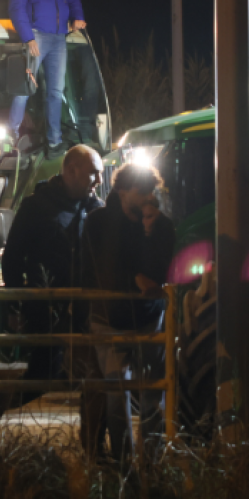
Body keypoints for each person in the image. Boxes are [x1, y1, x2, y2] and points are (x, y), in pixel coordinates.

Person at [0, 145, 105, 446]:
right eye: (93, 172)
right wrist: (16, 303)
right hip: (45, 307)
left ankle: (92, 447)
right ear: (71, 170)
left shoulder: (94, 207)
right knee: (44, 372)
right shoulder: (37, 206)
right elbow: (13, 257)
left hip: (83, 309)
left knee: (94, 375)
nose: (98, 178)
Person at [78, 163, 175, 465]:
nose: (148, 196)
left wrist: (151, 231)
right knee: (116, 391)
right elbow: (97, 269)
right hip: (109, 318)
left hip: (148, 315)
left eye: (150, 190)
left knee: (152, 393)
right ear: (121, 191)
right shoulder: (98, 222)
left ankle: (152, 458)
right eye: (141, 191)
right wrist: (134, 278)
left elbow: (163, 272)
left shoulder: (160, 224)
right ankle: (123, 463)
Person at [7, 0, 87, 159]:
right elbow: (16, 7)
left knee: (56, 91)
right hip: (36, 35)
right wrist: (28, 37)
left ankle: (54, 143)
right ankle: (10, 139)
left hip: (59, 38)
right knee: (24, 88)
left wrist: (78, 16)